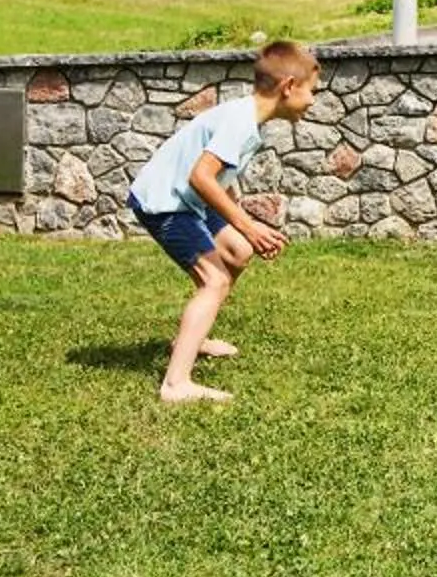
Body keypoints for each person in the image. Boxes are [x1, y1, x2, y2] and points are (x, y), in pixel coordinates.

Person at [127, 40, 320, 405]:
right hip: (164, 202)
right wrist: (249, 224)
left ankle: (192, 338)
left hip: (186, 199)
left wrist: (243, 225)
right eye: (312, 91)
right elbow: (201, 177)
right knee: (214, 281)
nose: (312, 101)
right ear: (289, 87)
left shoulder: (247, 118)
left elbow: (217, 178)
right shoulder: (241, 123)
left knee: (237, 250)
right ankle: (175, 384)